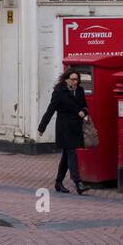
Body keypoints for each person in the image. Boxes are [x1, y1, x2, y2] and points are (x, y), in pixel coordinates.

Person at [38, 67, 90, 195]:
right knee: (72, 153)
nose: (75, 82)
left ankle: (58, 182)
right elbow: (51, 109)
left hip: (76, 127)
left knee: (66, 156)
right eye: (72, 79)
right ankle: (78, 183)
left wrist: (84, 111)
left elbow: (85, 106)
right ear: (66, 80)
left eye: (77, 79)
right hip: (64, 127)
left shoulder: (80, 90)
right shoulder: (59, 91)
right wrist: (42, 127)